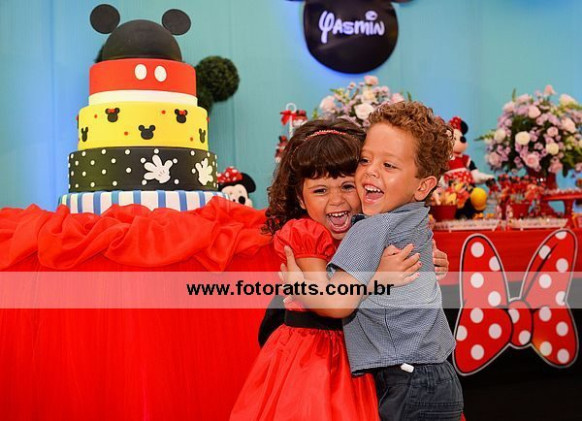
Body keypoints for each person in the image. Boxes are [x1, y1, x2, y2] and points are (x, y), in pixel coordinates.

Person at [230, 119, 447, 421]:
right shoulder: (306, 235)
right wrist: (378, 279)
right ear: (300, 198)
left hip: (367, 356)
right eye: (320, 190)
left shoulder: (370, 230)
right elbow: (330, 300)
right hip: (315, 360)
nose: (336, 200)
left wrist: (429, 262)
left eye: (347, 186)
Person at [281, 102, 463, 421]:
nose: (371, 171)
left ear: (423, 186)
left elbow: (336, 304)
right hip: (437, 375)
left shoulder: (370, 228)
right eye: (365, 160)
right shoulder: (414, 217)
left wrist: (299, 286)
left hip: (408, 381)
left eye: (389, 165)